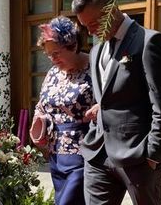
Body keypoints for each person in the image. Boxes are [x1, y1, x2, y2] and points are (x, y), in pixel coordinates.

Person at [72, 0, 161, 205]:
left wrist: (153, 154)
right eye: (85, 26)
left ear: (112, 8)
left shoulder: (148, 42)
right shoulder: (97, 49)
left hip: (138, 156)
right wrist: (100, 109)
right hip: (98, 153)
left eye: (93, 23)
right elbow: (115, 94)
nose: (90, 31)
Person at [30, 16, 98, 205]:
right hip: (55, 154)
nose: (53, 59)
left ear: (73, 45)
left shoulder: (94, 68)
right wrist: (39, 120)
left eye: (57, 53)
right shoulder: (53, 73)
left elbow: (109, 103)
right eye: (49, 55)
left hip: (83, 153)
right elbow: (42, 104)